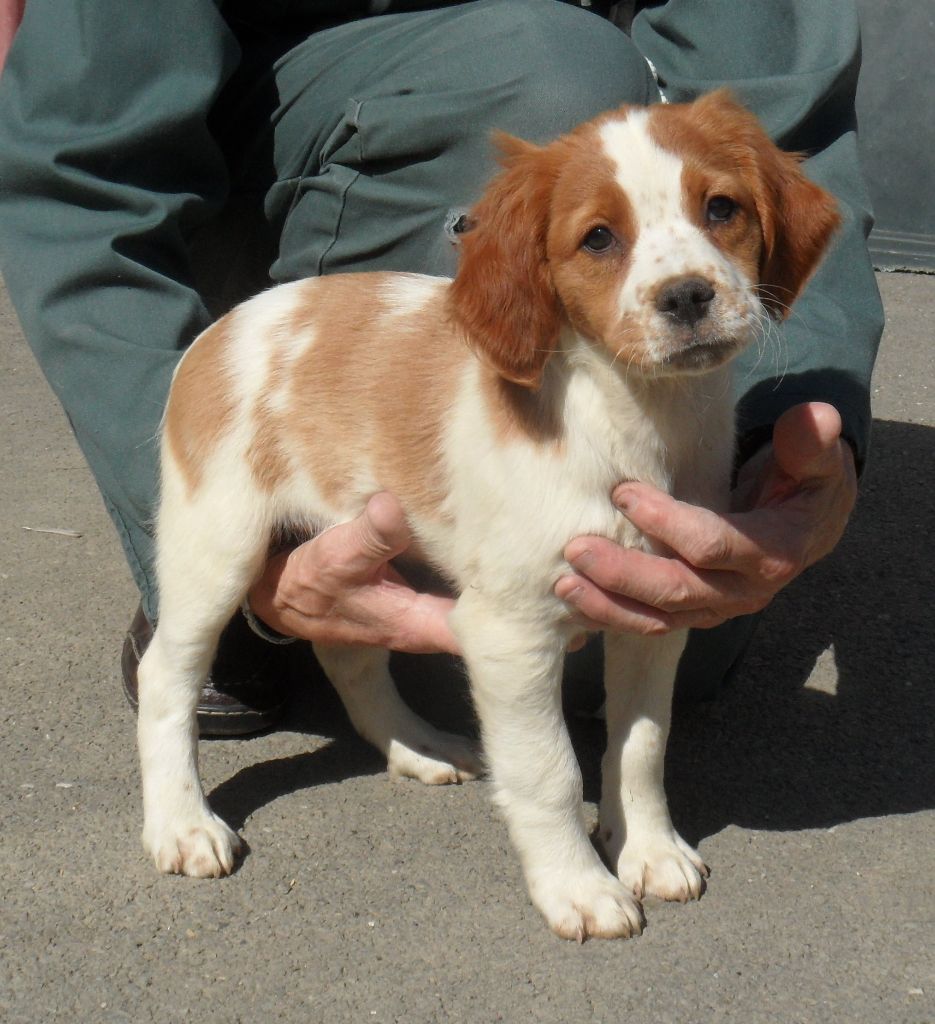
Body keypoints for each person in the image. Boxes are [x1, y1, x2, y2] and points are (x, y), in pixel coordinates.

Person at [0, 0, 882, 735]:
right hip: (247, 164)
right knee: (552, 72)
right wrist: (209, 530)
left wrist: (798, 416)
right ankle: (273, 550)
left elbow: (773, 101)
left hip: (591, 225)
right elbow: (78, 174)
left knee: (664, 609)